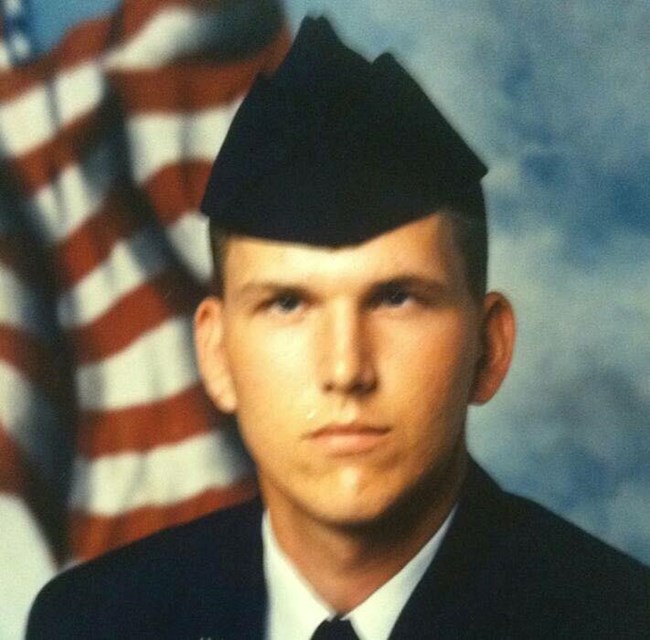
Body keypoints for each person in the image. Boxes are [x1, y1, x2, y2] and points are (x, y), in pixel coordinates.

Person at [27, 16, 649, 640]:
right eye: (288, 305)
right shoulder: (93, 622)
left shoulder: (617, 621)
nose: (346, 369)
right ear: (216, 355)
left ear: (489, 348)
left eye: (397, 299)